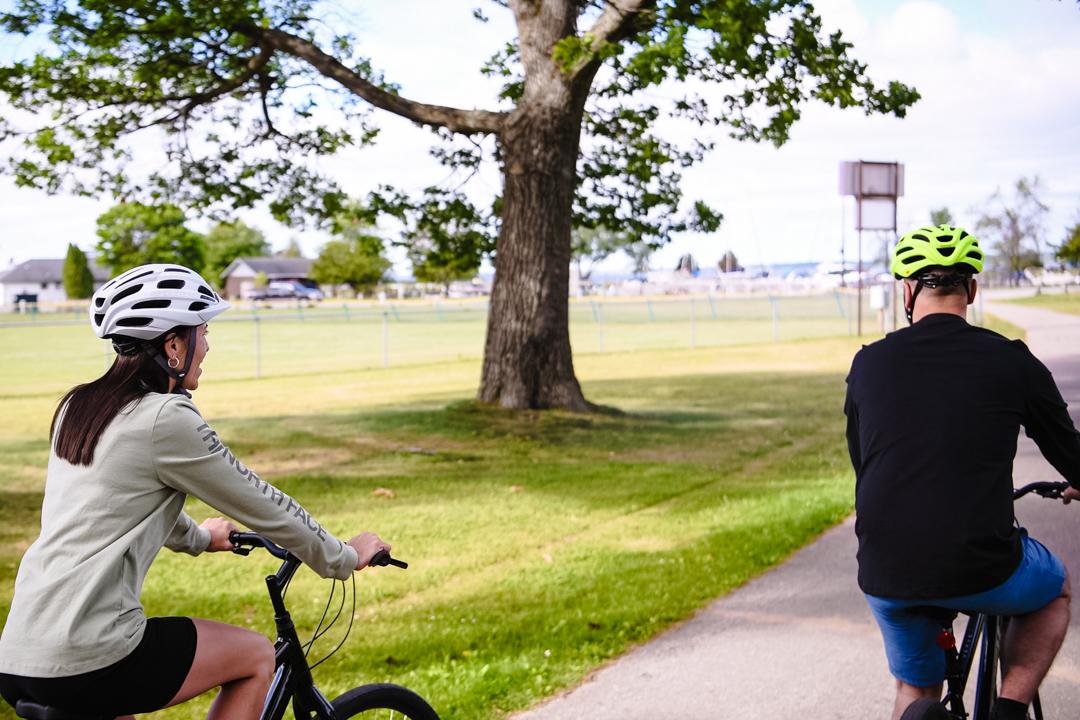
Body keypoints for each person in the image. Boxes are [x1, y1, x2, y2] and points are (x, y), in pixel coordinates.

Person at [0, 264, 391, 720]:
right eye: (202, 332)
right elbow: (260, 502)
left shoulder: (79, 406)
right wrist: (343, 556)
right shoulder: (166, 418)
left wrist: (202, 538)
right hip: (92, 651)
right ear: (173, 345)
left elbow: (114, 504)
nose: (207, 346)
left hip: (20, 652)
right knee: (255, 656)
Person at [844, 225, 1080, 720]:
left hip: (888, 568)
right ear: (971, 289)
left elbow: (863, 463)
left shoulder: (868, 364)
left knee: (915, 689)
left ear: (906, 291)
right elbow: (1072, 455)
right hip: (983, 563)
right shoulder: (1012, 361)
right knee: (1054, 588)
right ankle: (1010, 708)